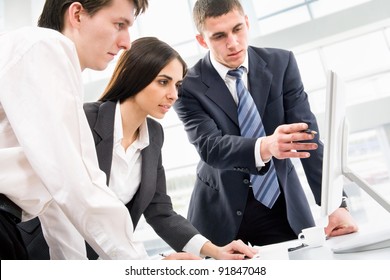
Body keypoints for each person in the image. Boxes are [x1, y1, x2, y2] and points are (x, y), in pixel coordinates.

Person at [18, 37, 257, 260]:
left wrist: (214, 251)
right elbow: (67, 201)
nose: (173, 95)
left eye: (178, 85)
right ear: (135, 76)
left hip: (102, 258)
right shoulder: (84, 119)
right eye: (163, 82)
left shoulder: (154, 135)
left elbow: (160, 210)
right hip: (42, 252)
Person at [173, 0, 358, 247]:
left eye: (237, 29)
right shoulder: (187, 86)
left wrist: (336, 205)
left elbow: (308, 138)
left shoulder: (281, 64)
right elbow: (211, 148)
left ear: (247, 23)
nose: (233, 42)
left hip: (281, 204)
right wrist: (266, 146)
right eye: (219, 36)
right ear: (202, 40)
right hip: (220, 211)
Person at [0, 0, 156, 260]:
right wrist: (138, 265)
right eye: (119, 25)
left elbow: (57, 199)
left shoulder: (47, 61)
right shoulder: (44, 46)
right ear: (77, 14)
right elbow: (76, 181)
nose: (127, 43)